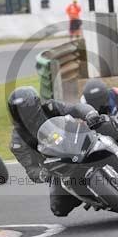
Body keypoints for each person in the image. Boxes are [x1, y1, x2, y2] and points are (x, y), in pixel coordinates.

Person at [8, 86, 104, 217]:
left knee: (106, 124)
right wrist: (43, 174)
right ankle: (91, 196)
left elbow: (75, 108)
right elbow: (30, 168)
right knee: (58, 208)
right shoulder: (18, 140)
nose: (22, 114)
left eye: (24, 110)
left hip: (78, 141)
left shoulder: (50, 108)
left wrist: (90, 114)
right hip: (58, 167)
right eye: (17, 111)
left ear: (35, 105)